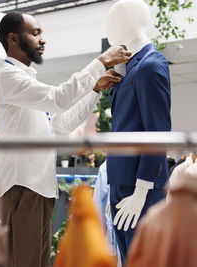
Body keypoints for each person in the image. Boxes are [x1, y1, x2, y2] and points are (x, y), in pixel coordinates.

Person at [0, 12, 131, 267]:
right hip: (23, 188)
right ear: (13, 39)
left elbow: (62, 123)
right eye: (35, 33)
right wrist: (100, 62)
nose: (42, 40)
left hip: (40, 189)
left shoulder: (26, 81)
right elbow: (59, 99)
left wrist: (95, 90)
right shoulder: (8, 76)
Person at [105, 0, 171, 262]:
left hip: (139, 186)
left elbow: (158, 131)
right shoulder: (129, 68)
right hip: (121, 183)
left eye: (111, 20)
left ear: (127, 21)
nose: (107, 27)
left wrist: (141, 190)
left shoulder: (150, 65)